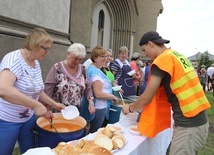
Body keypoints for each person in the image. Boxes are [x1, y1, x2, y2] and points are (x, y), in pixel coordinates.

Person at [122, 31, 211, 155]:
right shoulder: (176, 55)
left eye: (144, 49)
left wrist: (130, 108)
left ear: (150, 44)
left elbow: (146, 98)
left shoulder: (162, 60)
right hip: (199, 121)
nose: (145, 54)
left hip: (188, 126)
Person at [0, 28, 65, 155]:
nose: (47, 52)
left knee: (30, 151)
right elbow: (3, 89)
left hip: (27, 119)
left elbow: (37, 90)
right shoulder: (13, 60)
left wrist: (53, 104)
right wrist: (36, 105)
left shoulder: (35, 63)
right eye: (45, 48)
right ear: (33, 44)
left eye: (49, 49)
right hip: (7, 120)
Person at [44, 43, 95, 119]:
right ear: (68, 54)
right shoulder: (57, 68)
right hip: (58, 111)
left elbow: (88, 88)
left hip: (75, 111)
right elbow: (48, 90)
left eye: (80, 59)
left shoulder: (83, 69)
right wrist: (47, 109)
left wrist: (91, 103)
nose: (77, 61)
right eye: (75, 58)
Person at [87, 45, 118, 133]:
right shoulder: (95, 72)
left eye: (106, 56)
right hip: (99, 107)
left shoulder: (96, 69)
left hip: (100, 107)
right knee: (95, 132)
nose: (105, 59)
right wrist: (112, 97)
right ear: (95, 58)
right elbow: (98, 94)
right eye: (102, 57)